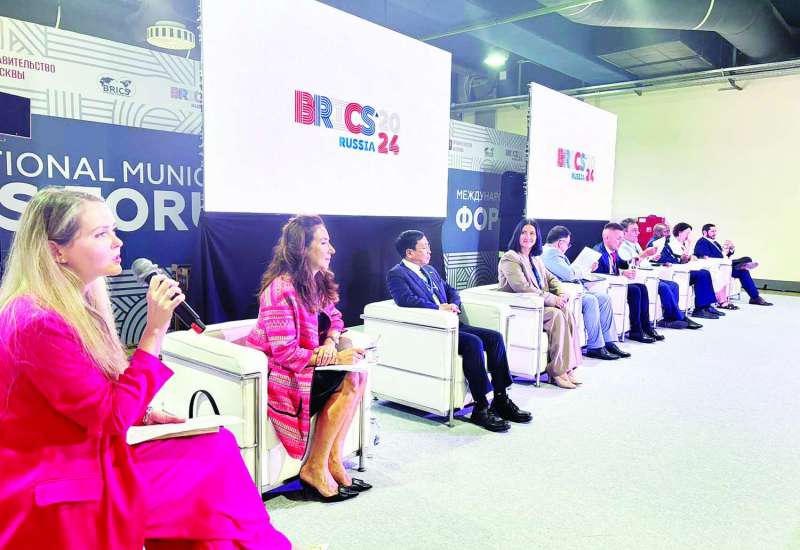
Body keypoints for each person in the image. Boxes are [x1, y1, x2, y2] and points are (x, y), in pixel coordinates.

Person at [0, 188, 290, 549]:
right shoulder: (38, 322)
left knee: (216, 448)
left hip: (87, 451)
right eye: (101, 234)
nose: (117, 242)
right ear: (57, 251)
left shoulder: (70, 307)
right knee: (212, 468)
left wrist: (146, 415)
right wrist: (154, 332)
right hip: (61, 475)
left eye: (113, 230)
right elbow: (108, 417)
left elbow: (86, 399)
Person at [247, 215, 370, 502]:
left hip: (306, 366)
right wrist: (333, 358)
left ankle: (332, 460)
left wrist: (329, 342)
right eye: (324, 243)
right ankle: (314, 467)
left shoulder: (318, 281)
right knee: (350, 378)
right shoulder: (279, 290)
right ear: (302, 248)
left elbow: (336, 319)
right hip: (282, 375)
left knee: (359, 374)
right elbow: (285, 353)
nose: (332, 250)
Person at [387, 230, 532, 430]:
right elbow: (406, 300)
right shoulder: (397, 274)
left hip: (454, 323)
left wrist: (453, 304)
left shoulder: (429, 270)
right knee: (474, 343)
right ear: (409, 252)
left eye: (428, 246)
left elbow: (451, 290)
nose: (429, 250)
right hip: (435, 328)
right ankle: (481, 407)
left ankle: (501, 398)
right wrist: (439, 308)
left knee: (495, 338)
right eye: (424, 247)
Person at [498, 220, 584, 388]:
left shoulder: (536, 258)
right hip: (523, 307)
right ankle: (557, 371)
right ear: (517, 235)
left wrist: (561, 293)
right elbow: (522, 287)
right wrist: (552, 299)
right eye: (524, 232)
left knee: (566, 312)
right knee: (557, 314)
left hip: (539, 304)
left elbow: (551, 279)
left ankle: (568, 367)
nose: (528, 237)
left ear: (537, 237)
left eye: (532, 233)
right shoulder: (510, 257)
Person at [541, 225, 631, 360]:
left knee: (603, 298)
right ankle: (595, 346)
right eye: (568, 244)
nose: (567, 247)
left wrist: (586, 270)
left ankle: (609, 342)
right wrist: (587, 267)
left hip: (574, 290)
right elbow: (569, 274)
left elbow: (568, 273)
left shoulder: (553, 254)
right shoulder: (550, 254)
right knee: (591, 300)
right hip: (565, 294)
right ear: (560, 243)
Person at [619, 218, 702, 330]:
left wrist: (652, 259)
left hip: (648, 274)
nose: (638, 233)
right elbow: (630, 265)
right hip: (638, 279)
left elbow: (643, 263)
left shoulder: (636, 244)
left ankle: (669, 318)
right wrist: (644, 255)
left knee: (673, 285)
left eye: (638, 230)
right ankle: (681, 317)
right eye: (634, 230)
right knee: (664, 287)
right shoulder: (622, 247)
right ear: (624, 233)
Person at [592, 223, 664, 344]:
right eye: (618, 239)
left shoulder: (615, 250)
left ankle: (646, 327)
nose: (621, 242)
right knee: (635, 290)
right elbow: (599, 275)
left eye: (622, 239)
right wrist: (621, 273)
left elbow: (622, 265)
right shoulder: (598, 252)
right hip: (607, 287)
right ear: (606, 237)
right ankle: (636, 331)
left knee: (641, 287)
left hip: (616, 283)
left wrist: (625, 270)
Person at [695, 223, 772, 306]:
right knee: (746, 259)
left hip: (725, 266)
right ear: (705, 232)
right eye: (712, 231)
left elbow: (724, 255)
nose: (715, 233)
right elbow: (705, 257)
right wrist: (724, 254)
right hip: (716, 268)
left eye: (715, 231)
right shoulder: (702, 242)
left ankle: (755, 297)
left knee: (743, 272)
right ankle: (741, 264)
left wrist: (730, 249)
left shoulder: (715, 243)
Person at [660, 222, 726, 319]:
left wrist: (690, 256)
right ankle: (700, 308)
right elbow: (679, 259)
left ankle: (706, 306)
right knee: (702, 275)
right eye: (687, 233)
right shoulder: (671, 244)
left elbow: (687, 257)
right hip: (677, 272)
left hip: (684, 270)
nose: (688, 236)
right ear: (680, 232)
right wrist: (687, 252)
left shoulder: (682, 244)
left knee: (705, 272)